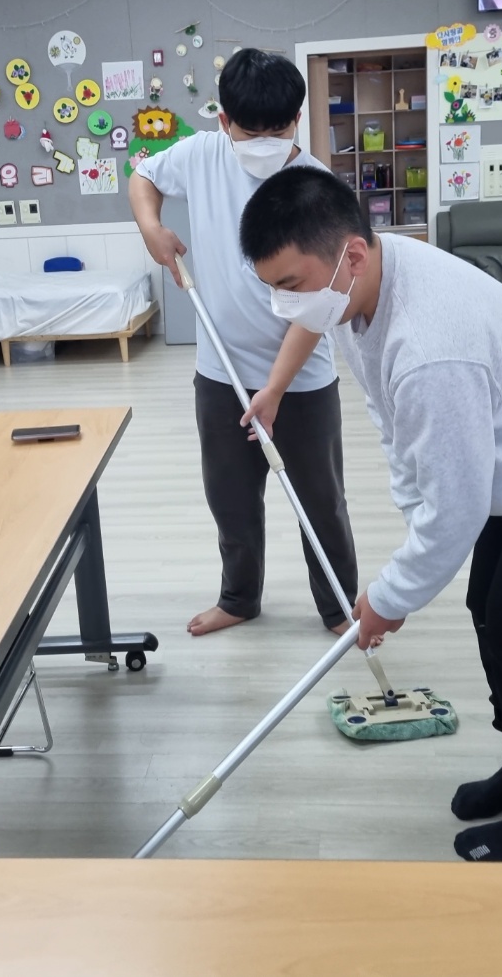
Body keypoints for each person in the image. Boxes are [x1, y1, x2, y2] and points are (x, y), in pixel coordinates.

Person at [238, 166, 502, 863]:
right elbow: (399, 429)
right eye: (271, 287)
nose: (283, 305)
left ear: (350, 254)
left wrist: (388, 598)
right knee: (488, 610)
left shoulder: (430, 348)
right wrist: (415, 527)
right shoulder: (360, 290)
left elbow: (457, 511)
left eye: (290, 284)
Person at [128, 50, 358, 638]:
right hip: (220, 374)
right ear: (224, 120)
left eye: (277, 131)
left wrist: (274, 390)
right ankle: (238, 598)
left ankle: (339, 609)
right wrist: (152, 229)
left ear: (298, 120)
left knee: (321, 502)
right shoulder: (202, 155)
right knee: (230, 497)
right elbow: (143, 176)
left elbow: (320, 306)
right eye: (249, 131)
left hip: (302, 381)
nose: (263, 143)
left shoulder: (318, 190)